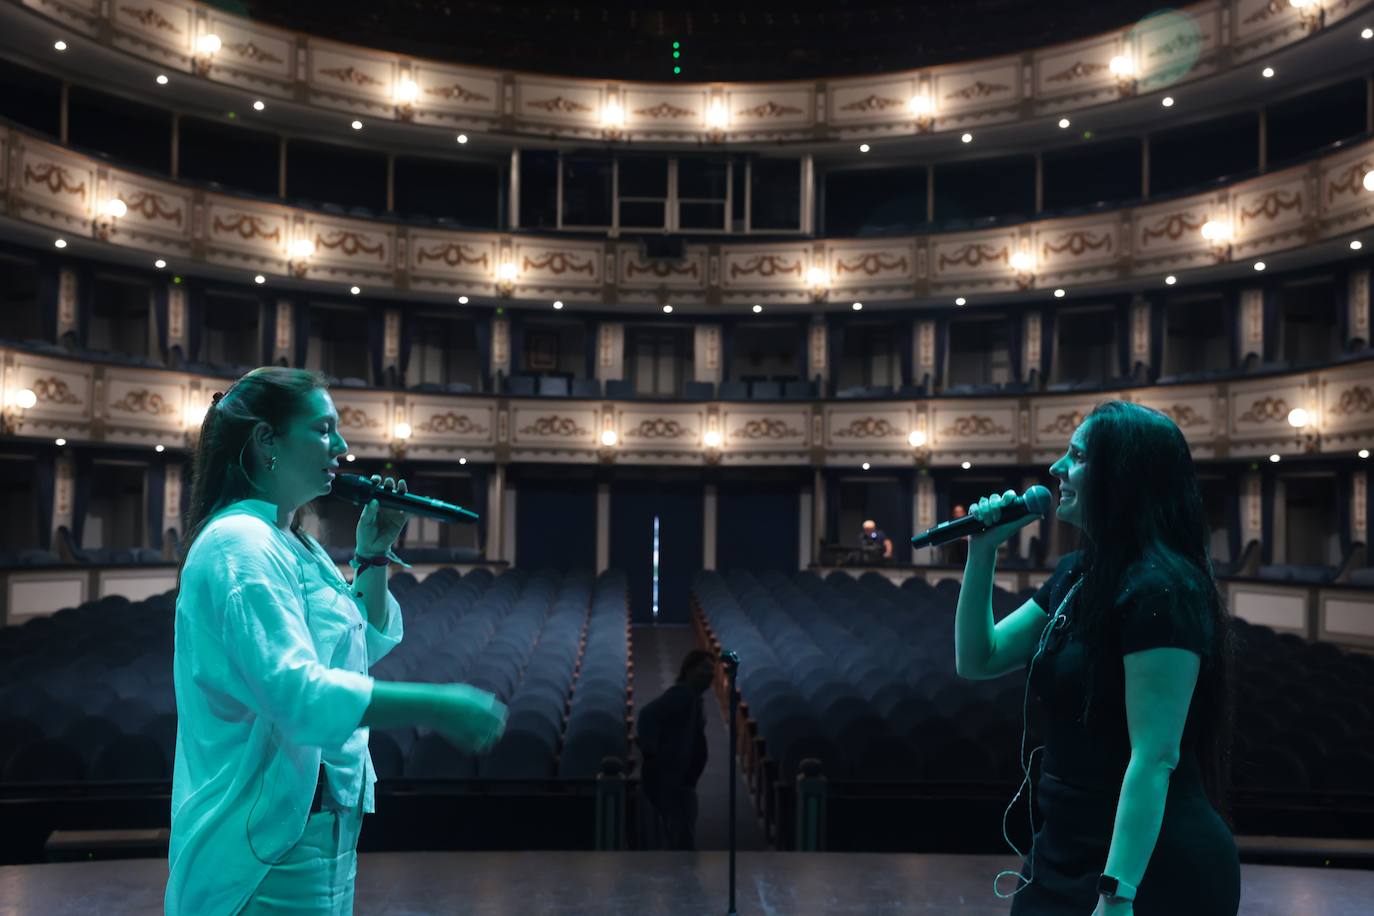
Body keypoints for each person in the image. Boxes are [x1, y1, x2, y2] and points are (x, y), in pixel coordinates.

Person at [167, 367, 508, 916]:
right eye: (324, 430)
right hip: (259, 853)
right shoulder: (240, 545)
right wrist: (441, 703)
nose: (342, 447)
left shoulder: (291, 539)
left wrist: (372, 555)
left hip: (315, 836)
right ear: (266, 442)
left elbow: (357, 651)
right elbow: (298, 695)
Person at [953, 400, 1239, 916]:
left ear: (1122, 478)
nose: (1058, 469)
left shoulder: (1162, 589)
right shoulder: (1078, 572)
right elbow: (980, 658)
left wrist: (1117, 895)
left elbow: (1155, 757)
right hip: (1063, 848)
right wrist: (982, 552)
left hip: (1147, 865)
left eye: (1077, 456)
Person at [635, 648, 716, 850]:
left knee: (681, 832)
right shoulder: (683, 695)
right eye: (704, 669)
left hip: (683, 779)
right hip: (674, 778)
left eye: (712, 671)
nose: (710, 675)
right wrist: (651, 753)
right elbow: (647, 715)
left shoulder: (694, 699)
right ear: (689, 670)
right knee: (680, 837)